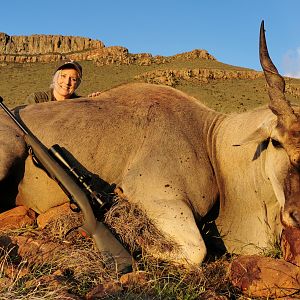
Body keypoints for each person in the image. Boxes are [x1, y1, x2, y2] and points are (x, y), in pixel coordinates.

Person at [26, 60, 100, 103]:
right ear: (55, 78)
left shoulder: (80, 102)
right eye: (63, 76)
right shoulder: (37, 99)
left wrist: (94, 101)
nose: (67, 82)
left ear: (77, 84)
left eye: (73, 79)